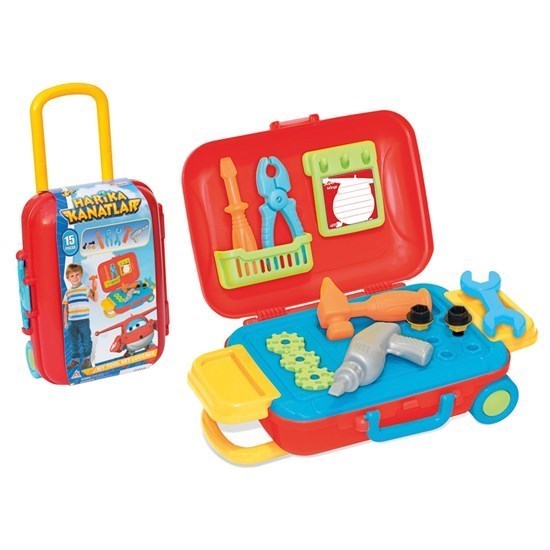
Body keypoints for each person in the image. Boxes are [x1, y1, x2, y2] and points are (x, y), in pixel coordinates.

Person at [62, 264, 98, 369]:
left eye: (77, 274)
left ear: (81, 275)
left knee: (86, 340)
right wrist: (65, 322)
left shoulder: (85, 288)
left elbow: (95, 299)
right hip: (72, 321)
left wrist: (95, 290)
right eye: (72, 275)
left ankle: (87, 359)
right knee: (73, 342)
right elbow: (66, 308)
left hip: (83, 321)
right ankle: (75, 360)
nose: (75, 277)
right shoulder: (68, 292)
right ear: (68, 278)